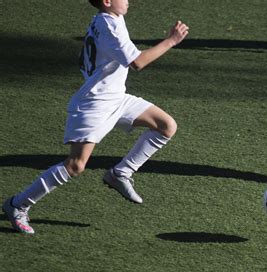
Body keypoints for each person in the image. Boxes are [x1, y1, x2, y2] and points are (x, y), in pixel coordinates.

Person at [2, 0, 189, 234]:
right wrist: (171, 41)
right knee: (76, 165)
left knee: (166, 125)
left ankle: (120, 173)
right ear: (107, 1)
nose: (128, 0)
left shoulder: (108, 18)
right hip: (94, 104)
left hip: (116, 98)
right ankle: (17, 204)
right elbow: (138, 62)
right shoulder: (109, 25)